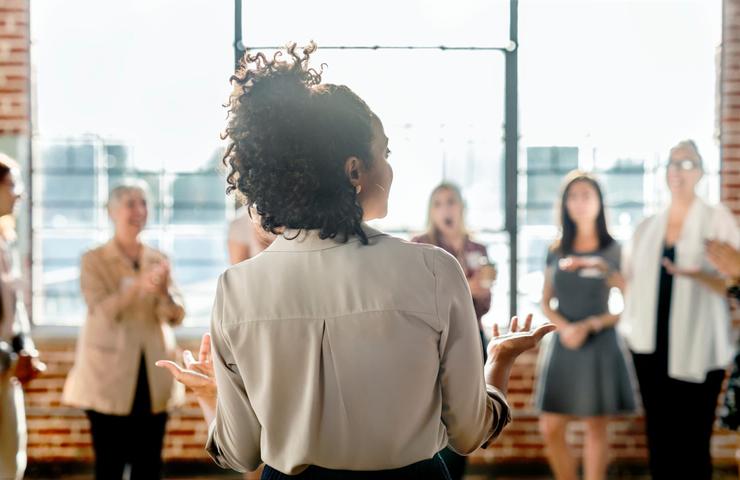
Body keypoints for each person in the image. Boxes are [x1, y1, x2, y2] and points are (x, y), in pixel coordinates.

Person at [156, 43, 555, 479]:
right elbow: (469, 433)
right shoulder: (433, 271)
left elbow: (241, 454)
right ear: (354, 171)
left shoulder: (237, 288)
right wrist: (498, 360)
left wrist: (211, 397)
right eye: (384, 153)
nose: (389, 169)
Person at [620, 140, 740, 480]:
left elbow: (735, 283)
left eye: (686, 164)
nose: (677, 171)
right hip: (650, 345)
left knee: (693, 439)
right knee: (659, 438)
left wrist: (699, 275)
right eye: (672, 164)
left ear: (700, 172)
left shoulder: (717, 219)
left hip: (700, 346)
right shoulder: (647, 227)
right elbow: (631, 283)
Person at [62, 180, 186, 480]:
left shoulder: (158, 258)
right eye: (130, 203)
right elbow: (102, 311)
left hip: (152, 376)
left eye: (144, 203)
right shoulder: (93, 260)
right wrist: (136, 287)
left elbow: (176, 315)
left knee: (149, 465)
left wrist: (163, 293)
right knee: (110, 465)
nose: (139, 210)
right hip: (108, 377)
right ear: (111, 211)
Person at [534, 171, 636, 480]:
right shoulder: (555, 250)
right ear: (564, 204)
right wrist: (566, 328)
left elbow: (629, 301)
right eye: (573, 196)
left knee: (595, 426)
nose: (580, 203)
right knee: (550, 426)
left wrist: (591, 324)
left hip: (601, 344)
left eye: (586, 195)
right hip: (563, 342)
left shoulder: (614, 250)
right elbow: (545, 301)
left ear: (599, 203)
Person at [411, 182, 496, 480]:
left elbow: (484, 303)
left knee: (467, 415)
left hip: (473, 336)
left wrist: (473, 290)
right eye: (438, 204)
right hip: (433, 341)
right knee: (435, 415)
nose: (445, 209)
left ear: (461, 207)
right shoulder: (420, 246)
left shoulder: (478, 249)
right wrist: (468, 287)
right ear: (431, 212)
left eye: (450, 202)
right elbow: (420, 298)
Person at [0, 154, 44, 480]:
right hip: (4, 363)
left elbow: (14, 307)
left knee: (11, 459)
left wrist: (24, 347)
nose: (20, 193)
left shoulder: (6, 239)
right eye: (13, 184)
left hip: (6, 370)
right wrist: (10, 358)